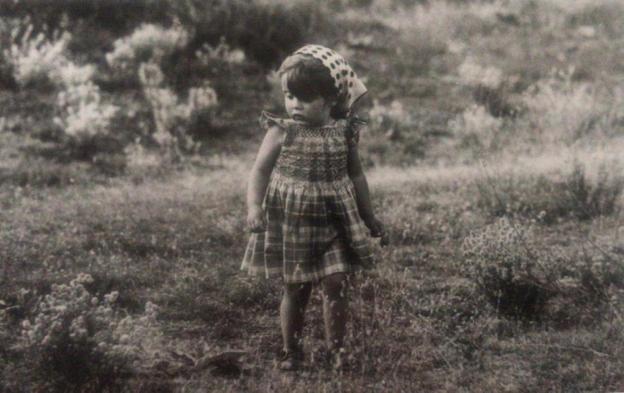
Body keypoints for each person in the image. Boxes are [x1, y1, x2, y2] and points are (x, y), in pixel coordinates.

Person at [241, 44, 386, 371]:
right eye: (289, 96)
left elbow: (357, 174)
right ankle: (291, 350)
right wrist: (254, 206)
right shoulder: (282, 131)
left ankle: (338, 351)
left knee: (336, 282)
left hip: (335, 220)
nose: (294, 105)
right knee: (296, 287)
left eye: (304, 98)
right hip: (294, 223)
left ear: (332, 99)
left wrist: (370, 216)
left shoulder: (344, 131)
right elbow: (260, 171)